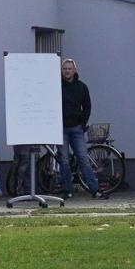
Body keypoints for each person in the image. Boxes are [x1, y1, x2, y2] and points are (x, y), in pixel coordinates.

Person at [57, 58, 101, 199]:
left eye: (69, 68)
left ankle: (94, 190)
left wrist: (83, 124)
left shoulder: (81, 87)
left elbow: (87, 106)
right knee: (63, 160)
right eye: (65, 69)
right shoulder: (56, 86)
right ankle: (67, 191)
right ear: (61, 71)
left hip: (76, 129)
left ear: (75, 70)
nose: (67, 71)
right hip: (61, 129)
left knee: (83, 158)